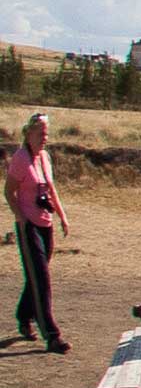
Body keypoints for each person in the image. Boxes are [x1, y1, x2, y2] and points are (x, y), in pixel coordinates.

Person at [7, 113, 71, 353]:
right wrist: (20, 217)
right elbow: (9, 191)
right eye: (42, 133)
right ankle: (52, 336)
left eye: (47, 133)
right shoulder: (20, 158)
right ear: (29, 133)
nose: (45, 138)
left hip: (46, 223)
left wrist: (62, 216)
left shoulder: (44, 157)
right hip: (29, 226)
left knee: (36, 275)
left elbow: (51, 189)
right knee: (41, 279)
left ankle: (24, 316)